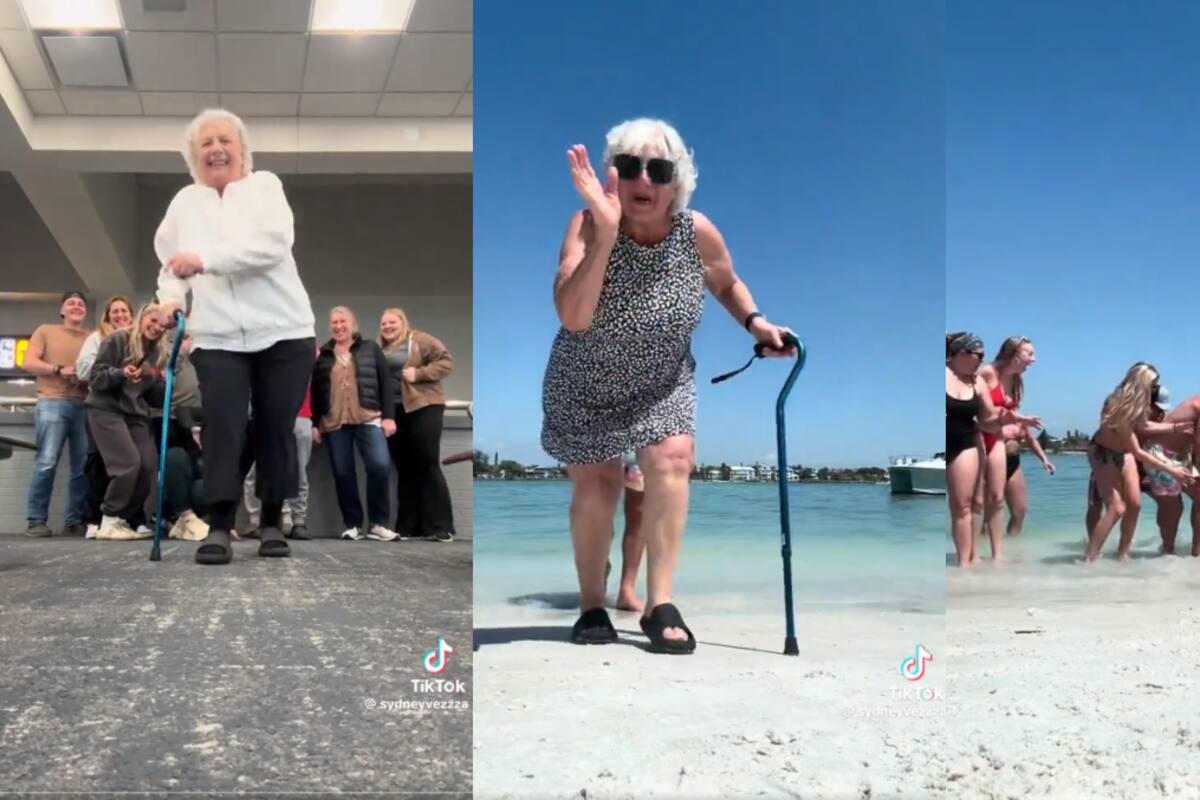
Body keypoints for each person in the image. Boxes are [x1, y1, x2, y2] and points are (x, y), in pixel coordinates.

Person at [541, 119, 796, 654]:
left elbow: (725, 282)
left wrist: (757, 324)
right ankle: (592, 604)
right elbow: (574, 316)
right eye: (630, 166)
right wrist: (607, 236)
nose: (644, 179)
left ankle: (659, 604)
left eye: (658, 169)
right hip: (585, 381)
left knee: (673, 459)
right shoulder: (587, 226)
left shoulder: (696, 231)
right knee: (599, 487)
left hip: (663, 381)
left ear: (675, 182)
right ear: (613, 176)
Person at [155, 107, 316, 564]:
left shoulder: (266, 187)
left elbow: (272, 245)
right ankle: (220, 525)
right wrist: (169, 300)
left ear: (242, 151)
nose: (216, 149)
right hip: (217, 333)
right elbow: (171, 264)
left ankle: (270, 520)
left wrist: (204, 260)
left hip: (284, 329)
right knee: (224, 426)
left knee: (274, 426)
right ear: (193, 157)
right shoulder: (184, 204)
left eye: (225, 140)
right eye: (205, 143)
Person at [945, 332, 1038, 567]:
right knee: (968, 504)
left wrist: (1015, 420)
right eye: (978, 355)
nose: (981, 359)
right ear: (962, 354)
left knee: (970, 504)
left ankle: (971, 563)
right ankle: (969, 558)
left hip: (973, 439)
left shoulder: (980, 381)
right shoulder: (954, 374)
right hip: (953, 439)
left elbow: (988, 416)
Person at [1085, 363, 1194, 562]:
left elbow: (1144, 425)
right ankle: (1088, 560)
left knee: (1134, 505)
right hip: (1103, 454)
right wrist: (1172, 469)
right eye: (1153, 384)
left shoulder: (1139, 404)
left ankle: (1123, 555)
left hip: (1124, 454)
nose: (1155, 388)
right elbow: (1137, 450)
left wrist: (1175, 428)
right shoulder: (1115, 404)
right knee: (1116, 508)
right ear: (1141, 382)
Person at [311, 307, 400, 542]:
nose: (338, 326)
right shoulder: (325, 354)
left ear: (353, 324)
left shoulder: (370, 348)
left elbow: (385, 384)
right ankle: (352, 524)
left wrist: (389, 416)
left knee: (380, 466)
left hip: (369, 418)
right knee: (343, 473)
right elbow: (317, 390)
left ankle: (378, 524)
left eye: (343, 322)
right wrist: (315, 422)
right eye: (334, 323)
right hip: (334, 422)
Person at [85, 303, 167, 540]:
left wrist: (163, 381)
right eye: (153, 321)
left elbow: (152, 397)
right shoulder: (118, 340)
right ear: (141, 318)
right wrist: (121, 374)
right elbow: (96, 377)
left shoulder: (158, 354)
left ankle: (124, 517)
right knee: (128, 464)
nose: (156, 328)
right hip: (107, 409)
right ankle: (109, 519)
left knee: (147, 466)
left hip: (135, 412)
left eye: (161, 325)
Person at [379, 307, 456, 542]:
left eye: (392, 322)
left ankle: (441, 527)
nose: (387, 327)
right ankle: (409, 526)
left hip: (424, 407)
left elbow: (446, 362)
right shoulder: (380, 349)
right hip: (395, 412)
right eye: (383, 324)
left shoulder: (419, 340)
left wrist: (419, 373)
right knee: (405, 468)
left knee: (428, 463)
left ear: (403, 323)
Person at [21, 291, 92, 537]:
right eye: (71, 303)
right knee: (47, 461)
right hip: (52, 402)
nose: (76, 306)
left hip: (84, 404)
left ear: (85, 311)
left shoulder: (92, 337)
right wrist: (58, 369)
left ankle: (73, 520)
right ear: (62, 310)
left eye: (80, 304)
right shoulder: (46, 331)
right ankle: (36, 520)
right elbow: (28, 363)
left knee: (82, 466)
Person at [974, 337, 1054, 540]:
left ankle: (1011, 556)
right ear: (1014, 353)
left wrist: (1043, 458)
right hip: (989, 450)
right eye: (1030, 354)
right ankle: (983, 559)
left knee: (1019, 511)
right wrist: (999, 428)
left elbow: (1019, 423)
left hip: (1013, 456)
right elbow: (968, 411)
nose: (1033, 360)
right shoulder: (987, 373)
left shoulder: (1017, 380)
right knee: (990, 511)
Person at [74, 295, 135, 537]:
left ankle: (123, 519)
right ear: (107, 316)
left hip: (130, 408)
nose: (120, 315)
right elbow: (83, 370)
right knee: (98, 463)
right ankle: (93, 520)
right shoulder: (97, 338)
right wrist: (116, 369)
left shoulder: (138, 340)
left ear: (132, 315)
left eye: (124, 311)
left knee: (132, 463)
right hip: (102, 406)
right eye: (114, 312)